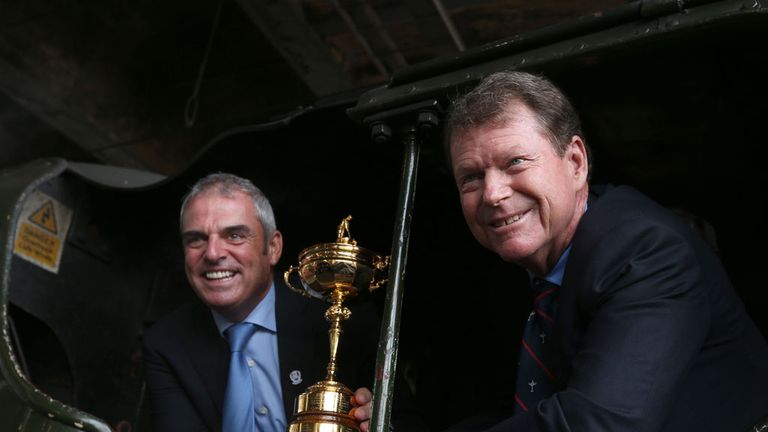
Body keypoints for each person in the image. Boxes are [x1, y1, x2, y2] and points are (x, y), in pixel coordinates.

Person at [441, 71, 768, 431]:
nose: (492, 194)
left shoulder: (646, 251)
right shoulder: (514, 278)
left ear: (576, 163)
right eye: (471, 177)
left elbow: (599, 423)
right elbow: (516, 413)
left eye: (515, 162)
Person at [142, 173, 389, 432]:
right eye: (196, 239)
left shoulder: (345, 318)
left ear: (273, 248)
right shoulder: (167, 343)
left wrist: (381, 424)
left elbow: (409, 420)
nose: (213, 253)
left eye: (235, 235)